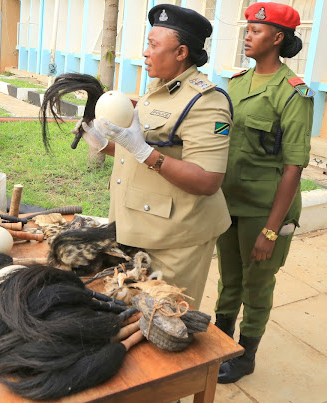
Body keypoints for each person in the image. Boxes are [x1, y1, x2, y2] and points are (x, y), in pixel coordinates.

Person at [80, 4, 233, 310]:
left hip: (176, 239)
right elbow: (145, 148)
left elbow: (207, 180)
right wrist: (104, 144)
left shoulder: (207, 103)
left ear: (181, 52)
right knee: (136, 315)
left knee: (166, 317)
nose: (145, 53)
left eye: (153, 45)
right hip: (138, 227)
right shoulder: (157, 90)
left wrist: (145, 153)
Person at [213, 2, 313, 384]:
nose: (247, 35)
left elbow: (293, 168)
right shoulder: (235, 83)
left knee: (257, 284)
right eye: (247, 30)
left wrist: (272, 231)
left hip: (265, 209)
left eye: (256, 31)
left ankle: (246, 356)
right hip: (229, 202)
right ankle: (221, 345)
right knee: (229, 279)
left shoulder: (292, 93)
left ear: (278, 38)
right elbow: (221, 138)